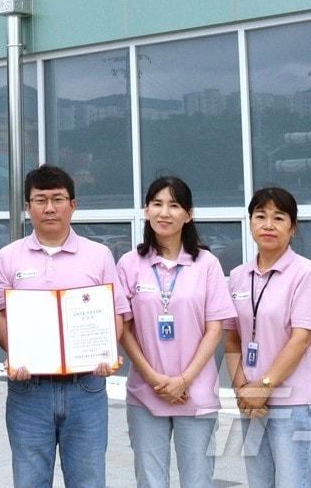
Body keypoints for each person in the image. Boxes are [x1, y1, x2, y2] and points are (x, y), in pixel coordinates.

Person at [0, 165, 128, 488]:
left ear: (73, 205)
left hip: (87, 388)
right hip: (29, 390)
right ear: (28, 207)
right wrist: (16, 352)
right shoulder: (8, 257)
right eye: (40, 200)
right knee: (29, 481)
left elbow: (115, 313)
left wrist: (107, 350)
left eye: (58, 199)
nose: (49, 208)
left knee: (89, 481)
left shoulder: (99, 255)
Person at [116, 173, 234, 488]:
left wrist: (183, 380)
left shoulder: (206, 263)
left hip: (194, 393)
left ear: (189, 214)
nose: (164, 213)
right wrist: (154, 379)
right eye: (157, 204)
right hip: (145, 392)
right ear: (146, 210)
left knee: (197, 481)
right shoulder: (130, 263)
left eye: (174, 205)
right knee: (150, 481)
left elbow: (215, 329)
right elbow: (124, 329)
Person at [222, 186, 311, 488]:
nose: (268, 225)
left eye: (279, 218)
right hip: (252, 403)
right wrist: (243, 388)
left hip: (294, 404)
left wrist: (263, 386)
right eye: (260, 216)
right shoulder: (240, 276)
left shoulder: (306, 273)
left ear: (292, 228)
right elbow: (232, 338)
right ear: (250, 223)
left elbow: (301, 339)